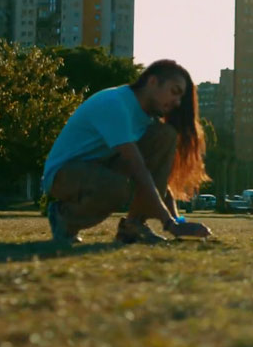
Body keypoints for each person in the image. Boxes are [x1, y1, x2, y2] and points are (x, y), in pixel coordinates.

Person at [42, 60, 212, 244]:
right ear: (153, 82)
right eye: (174, 91)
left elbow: (155, 175)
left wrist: (177, 220)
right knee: (117, 186)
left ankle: (133, 227)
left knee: (166, 135)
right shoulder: (116, 104)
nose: (177, 102)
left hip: (101, 168)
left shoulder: (146, 119)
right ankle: (64, 218)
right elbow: (138, 169)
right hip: (64, 174)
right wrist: (169, 224)